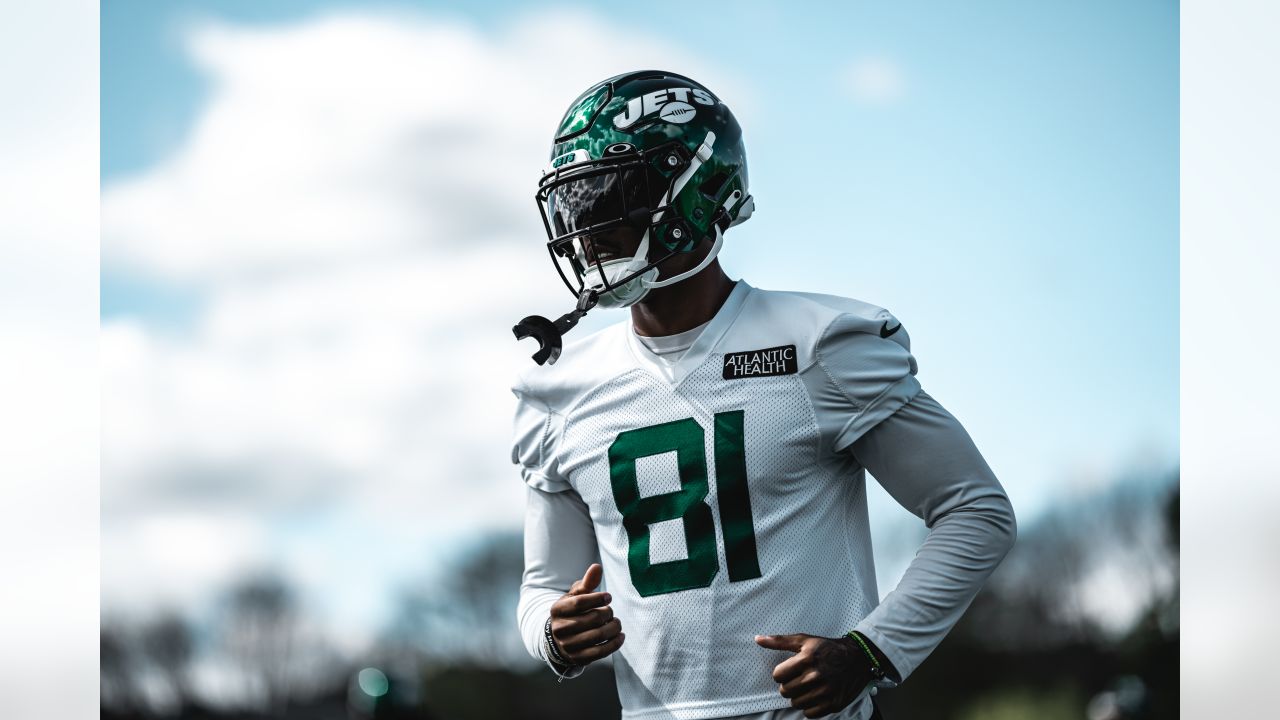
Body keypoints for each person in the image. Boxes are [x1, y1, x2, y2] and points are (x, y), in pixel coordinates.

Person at [511, 70, 1017, 720]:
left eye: (614, 195)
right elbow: (542, 588)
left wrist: (872, 652)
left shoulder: (821, 342)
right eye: (579, 201)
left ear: (696, 194)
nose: (589, 225)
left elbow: (976, 511)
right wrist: (553, 634)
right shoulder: (556, 388)